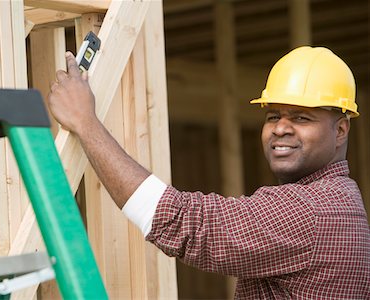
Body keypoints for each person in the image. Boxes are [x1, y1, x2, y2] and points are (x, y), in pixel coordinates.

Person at [47, 46, 370, 299]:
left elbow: (180, 221)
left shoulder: (309, 210)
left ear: (340, 130)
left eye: (301, 118)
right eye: (273, 116)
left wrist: (85, 122)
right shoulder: (341, 201)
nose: (280, 128)